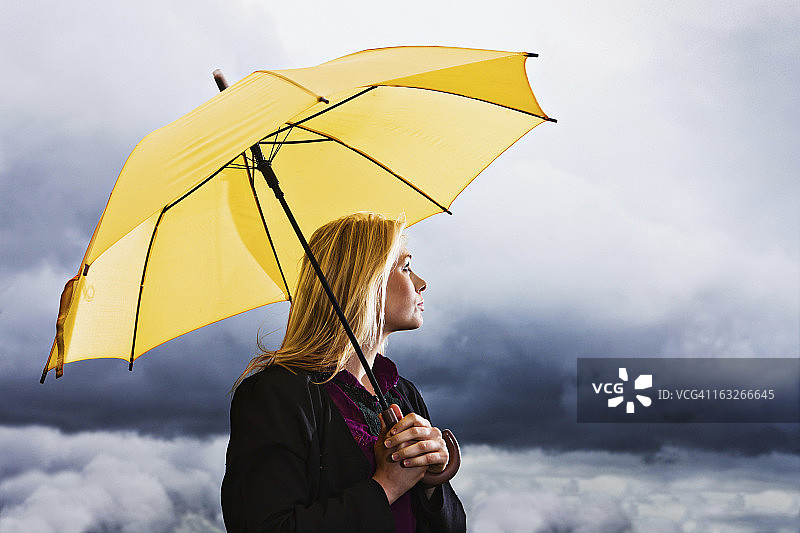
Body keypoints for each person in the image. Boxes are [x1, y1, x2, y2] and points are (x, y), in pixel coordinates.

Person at [221, 212, 466, 532]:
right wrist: (386, 487)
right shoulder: (275, 395)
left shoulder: (403, 394)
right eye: (405, 267)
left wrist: (431, 478)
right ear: (366, 281)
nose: (421, 283)